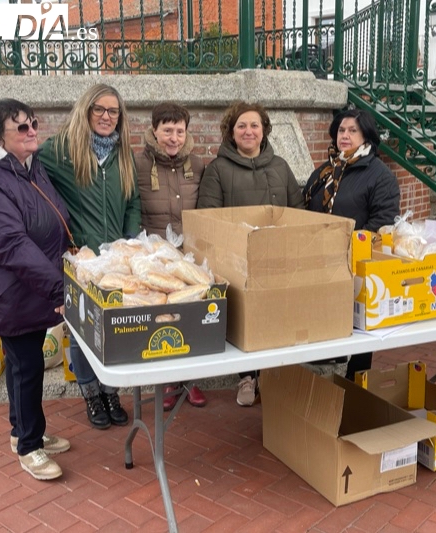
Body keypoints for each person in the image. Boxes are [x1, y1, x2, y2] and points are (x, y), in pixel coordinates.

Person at [0, 99, 71, 481]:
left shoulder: (27, 167)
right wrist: (60, 291)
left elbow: (52, 216)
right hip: (7, 291)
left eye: (33, 123)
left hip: (30, 288)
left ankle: (21, 431)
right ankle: (29, 446)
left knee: (26, 362)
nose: (32, 131)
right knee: (26, 365)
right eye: (21, 127)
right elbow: (11, 245)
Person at [40, 84, 141, 430]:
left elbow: (133, 201)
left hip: (114, 262)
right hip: (79, 259)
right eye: (99, 109)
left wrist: (127, 242)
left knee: (113, 330)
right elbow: (26, 174)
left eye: (113, 111)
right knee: (83, 332)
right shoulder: (61, 150)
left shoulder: (122, 155)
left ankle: (111, 391)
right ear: (86, 110)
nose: (106, 116)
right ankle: (91, 394)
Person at [197, 100, 305, 407]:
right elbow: (208, 218)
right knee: (245, 321)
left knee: (278, 318)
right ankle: (246, 377)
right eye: (241, 125)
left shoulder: (280, 166)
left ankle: (274, 377)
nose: (248, 131)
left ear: (264, 130)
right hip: (238, 261)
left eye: (254, 125)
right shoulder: (217, 170)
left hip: (278, 257)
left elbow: (296, 211)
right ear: (231, 132)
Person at [303, 108, 401, 380]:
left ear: (366, 135)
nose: (344, 136)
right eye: (341, 130)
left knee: (359, 328)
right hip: (321, 259)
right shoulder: (328, 170)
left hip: (355, 262)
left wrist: (347, 248)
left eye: (352, 131)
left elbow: (383, 223)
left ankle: (356, 382)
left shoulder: (379, 175)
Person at [134, 102, 207, 411]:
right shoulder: (137, 164)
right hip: (155, 257)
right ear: (154, 131)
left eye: (179, 131)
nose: (174, 138)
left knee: (191, 317)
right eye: (167, 131)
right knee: (160, 320)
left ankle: (190, 379)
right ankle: (164, 381)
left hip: (189, 257)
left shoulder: (198, 165)